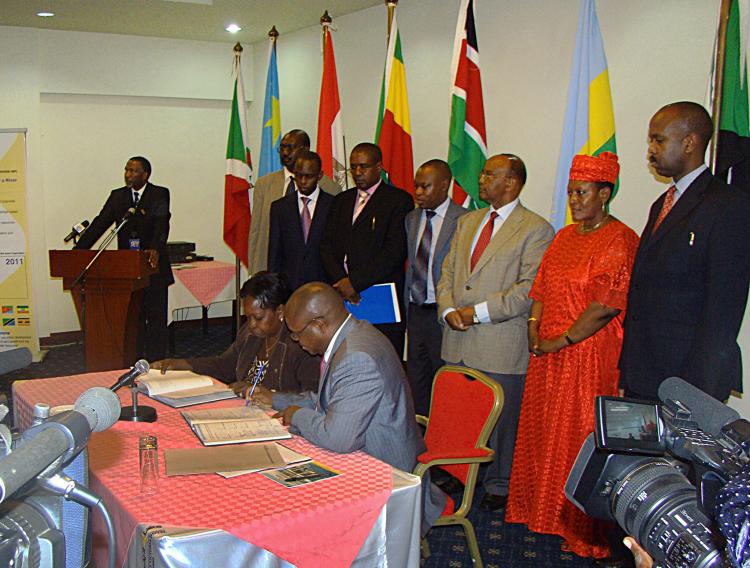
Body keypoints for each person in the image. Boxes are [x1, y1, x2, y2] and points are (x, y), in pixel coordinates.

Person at [506, 152, 640, 559]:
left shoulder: (620, 240)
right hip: (547, 354)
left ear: (605, 193)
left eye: (581, 193)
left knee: (576, 438)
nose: (574, 201)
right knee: (544, 434)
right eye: (570, 193)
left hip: (587, 356)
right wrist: (534, 329)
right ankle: (541, 514)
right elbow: (541, 288)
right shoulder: (564, 237)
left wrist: (560, 340)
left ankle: (581, 532)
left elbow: (604, 306)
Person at [251, 282, 446, 535]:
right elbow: (330, 399)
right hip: (366, 453)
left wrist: (296, 414)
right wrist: (277, 400)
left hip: (386, 476)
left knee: (284, 497)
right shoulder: (354, 334)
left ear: (319, 325)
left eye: (296, 334)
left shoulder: (356, 356)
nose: (295, 341)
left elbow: (339, 438)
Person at [436, 153, 554, 512]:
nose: (481, 179)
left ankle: (499, 483)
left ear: (512, 182)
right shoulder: (468, 221)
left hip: (499, 342)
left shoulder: (535, 228)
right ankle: (455, 470)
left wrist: (477, 314)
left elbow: (527, 290)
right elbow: (448, 272)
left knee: (500, 420)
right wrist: (448, 310)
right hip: (456, 337)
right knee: (457, 413)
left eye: (490, 174)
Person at [619, 101, 750, 403]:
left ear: (689, 142)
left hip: (689, 380)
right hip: (646, 373)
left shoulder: (727, 205)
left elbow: (724, 307)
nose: (650, 150)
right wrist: (629, 370)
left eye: (658, 139)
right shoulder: (662, 204)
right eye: (650, 140)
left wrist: (700, 391)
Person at [151, 272, 319, 395]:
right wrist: (180, 365)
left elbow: (312, 398)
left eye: (258, 318)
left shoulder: (300, 345)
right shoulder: (250, 334)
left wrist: (270, 395)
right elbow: (225, 365)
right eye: (247, 317)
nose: (251, 324)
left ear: (281, 312)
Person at [74, 156, 173, 361]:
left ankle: (157, 363)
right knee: (133, 320)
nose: (128, 174)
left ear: (145, 175)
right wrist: (78, 252)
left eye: (133, 171)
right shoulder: (118, 197)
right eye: (126, 170)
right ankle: (132, 361)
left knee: (155, 318)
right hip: (127, 270)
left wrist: (154, 248)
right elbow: (100, 224)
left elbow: (162, 224)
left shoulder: (159, 194)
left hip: (153, 267)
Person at [320, 142, 414, 355]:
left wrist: (355, 282)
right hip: (341, 294)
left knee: (383, 356)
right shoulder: (341, 200)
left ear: (379, 167)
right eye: (353, 167)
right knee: (345, 353)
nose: (358, 173)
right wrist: (342, 282)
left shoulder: (398, 200)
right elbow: (325, 246)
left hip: (378, 296)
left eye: (364, 167)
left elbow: (394, 252)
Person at [404, 159, 467, 416]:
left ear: (444, 185)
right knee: (416, 377)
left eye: (425, 187)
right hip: (415, 309)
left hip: (442, 312)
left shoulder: (464, 220)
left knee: (443, 377)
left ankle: (441, 433)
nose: (418, 193)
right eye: (416, 186)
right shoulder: (411, 218)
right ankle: (418, 434)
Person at [248, 130, 340, 274]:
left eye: (290, 148)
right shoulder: (264, 184)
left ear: (305, 149)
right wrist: (253, 268)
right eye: (282, 148)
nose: (285, 152)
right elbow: (256, 230)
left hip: (318, 273)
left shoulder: (331, 188)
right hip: (270, 268)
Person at [268, 151, 334, 289]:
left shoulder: (334, 205)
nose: (303, 181)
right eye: (298, 175)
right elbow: (275, 253)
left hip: (324, 286)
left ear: (319, 175)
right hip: (289, 287)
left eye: (309, 176)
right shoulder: (280, 207)